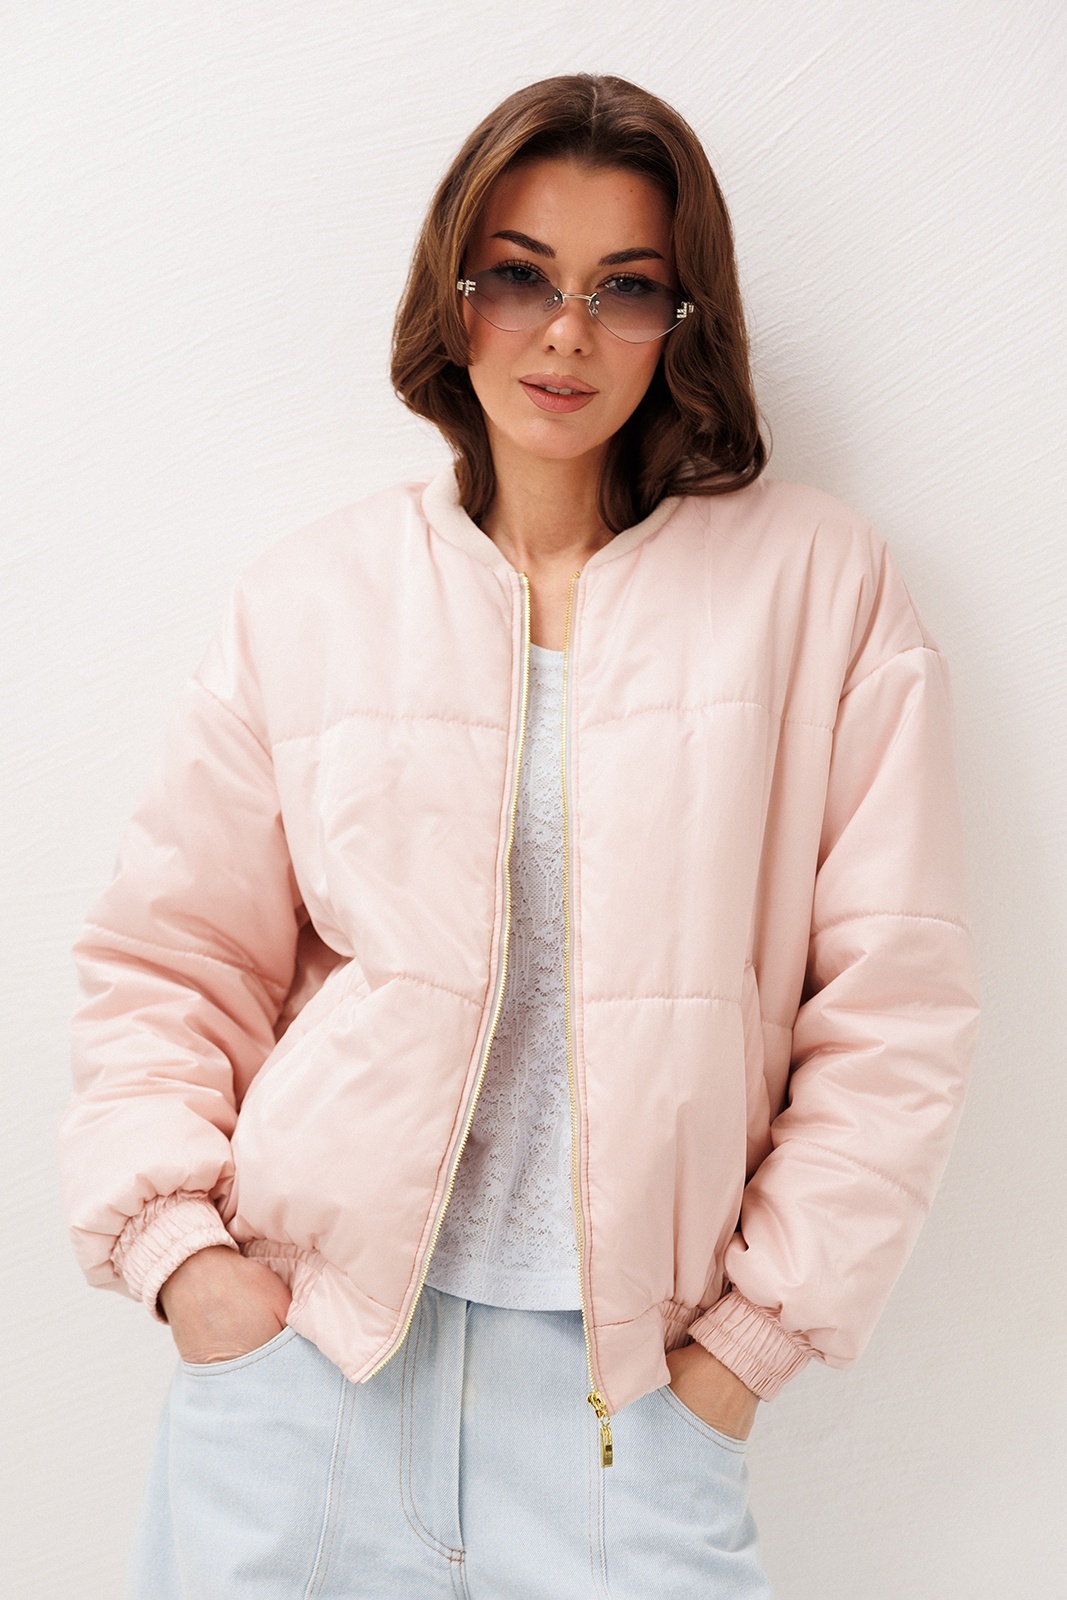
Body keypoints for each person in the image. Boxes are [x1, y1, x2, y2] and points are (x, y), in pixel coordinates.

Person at [57, 72, 980, 1598]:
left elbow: (897, 1008)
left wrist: (747, 1348)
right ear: (454, 291)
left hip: (630, 1418)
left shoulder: (817, 587)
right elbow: (170, 962)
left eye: (625, 287)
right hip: (309, 1375)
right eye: (521, 276)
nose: (566, 333)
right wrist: (188, 1265)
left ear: (683, 319)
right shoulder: (312, 596)